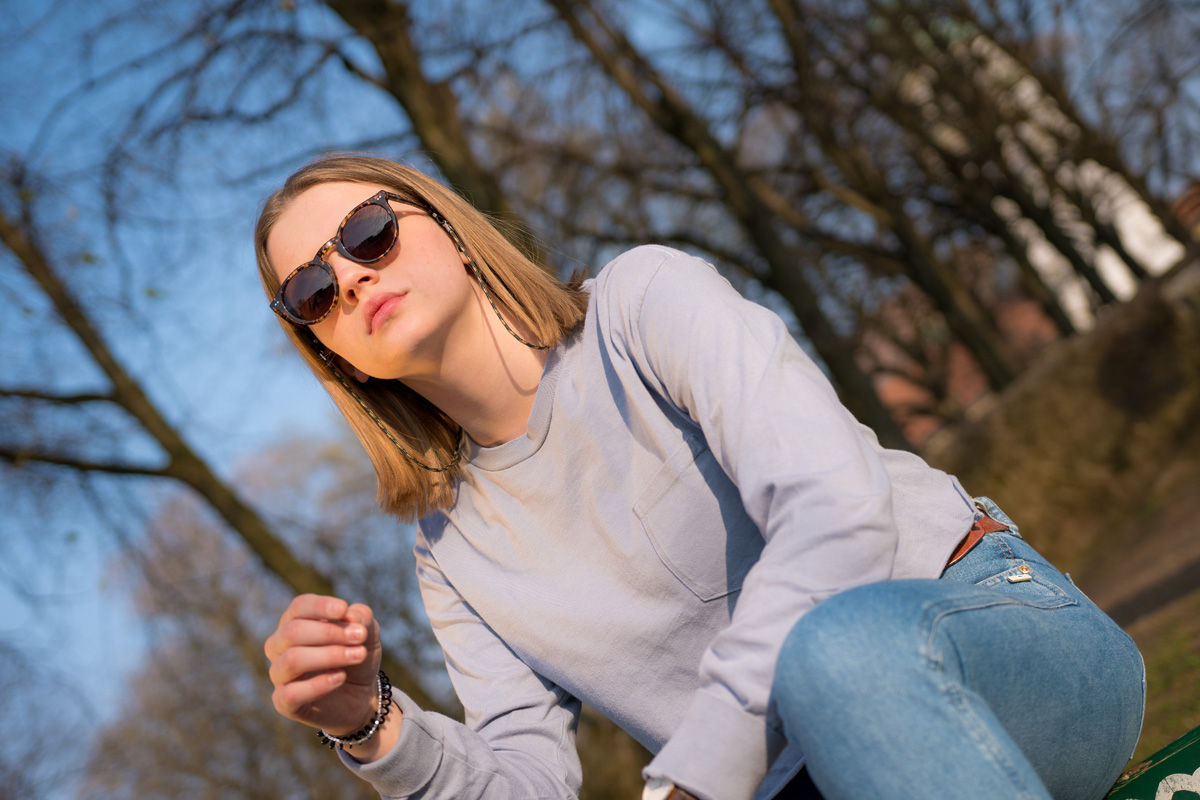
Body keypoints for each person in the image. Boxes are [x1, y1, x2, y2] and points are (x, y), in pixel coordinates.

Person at [257, 154, 1145, 800]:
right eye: (311, 289)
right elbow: (529, 777)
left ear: (445, 228)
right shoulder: (449, 546)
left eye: (368, 231)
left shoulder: (642, 306)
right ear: (330, 348)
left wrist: (692, 778)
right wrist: (370, 726)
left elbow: (836, 512)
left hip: (988, 644)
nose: (350, 274)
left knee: (835, 654)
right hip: (798, 783)